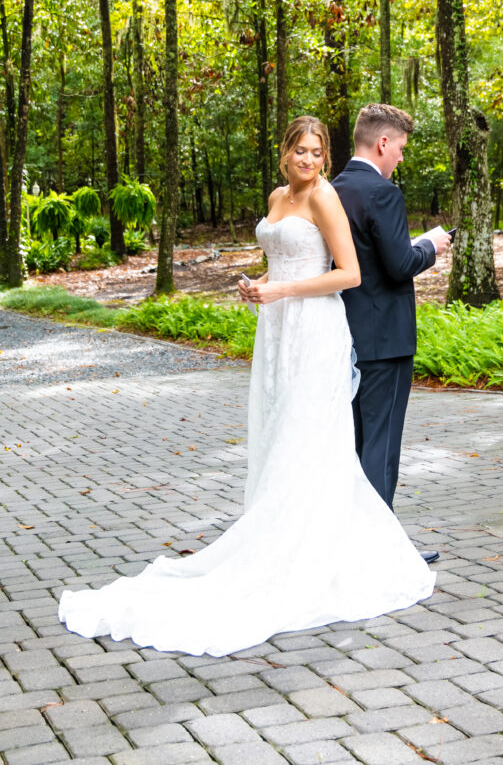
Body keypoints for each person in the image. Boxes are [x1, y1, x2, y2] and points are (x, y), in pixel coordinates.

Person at [58, 116, 435, 657]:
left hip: (314, 330)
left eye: (316, 151)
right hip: (277, 329)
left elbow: (348, 274)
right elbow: (280, 257)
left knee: (307, 440)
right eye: (299, 151)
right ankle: (274, 538)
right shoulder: (278, 196)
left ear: (326, 157)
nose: (308, 160)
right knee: (279, 429)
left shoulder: (326, 198)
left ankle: (305, 554)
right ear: (284, 154)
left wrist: (280, 290)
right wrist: (260, 284)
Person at [332, 104, 451, 556]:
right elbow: (400, 265)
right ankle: (380, 552)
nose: (400, 157)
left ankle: (355, 540)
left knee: (358, 442)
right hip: (386, 339)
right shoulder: (383, 193)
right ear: (382, 143)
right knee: (380, 448)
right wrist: (431, 246)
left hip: (344, 334)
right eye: (400, 148)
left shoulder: (331, 190)